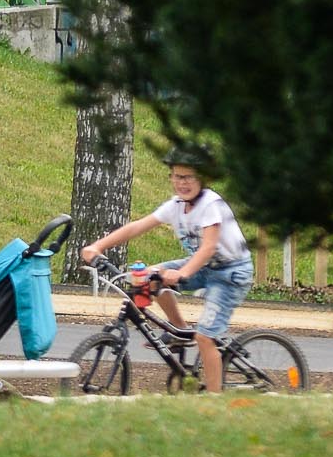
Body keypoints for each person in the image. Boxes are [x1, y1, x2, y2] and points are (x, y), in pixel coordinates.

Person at [78, 145, 253, 393]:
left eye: (189, 176)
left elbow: (208, 247)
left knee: (205, 337)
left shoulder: (211, 204)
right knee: (149, 278)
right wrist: (98, 246)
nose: (183, 183)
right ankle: (180, 330)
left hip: (230, 273)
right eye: (177, 176)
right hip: (203, 267)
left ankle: (215, 401)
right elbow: (137, 227)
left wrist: (182, 274)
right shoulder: (176, 205)